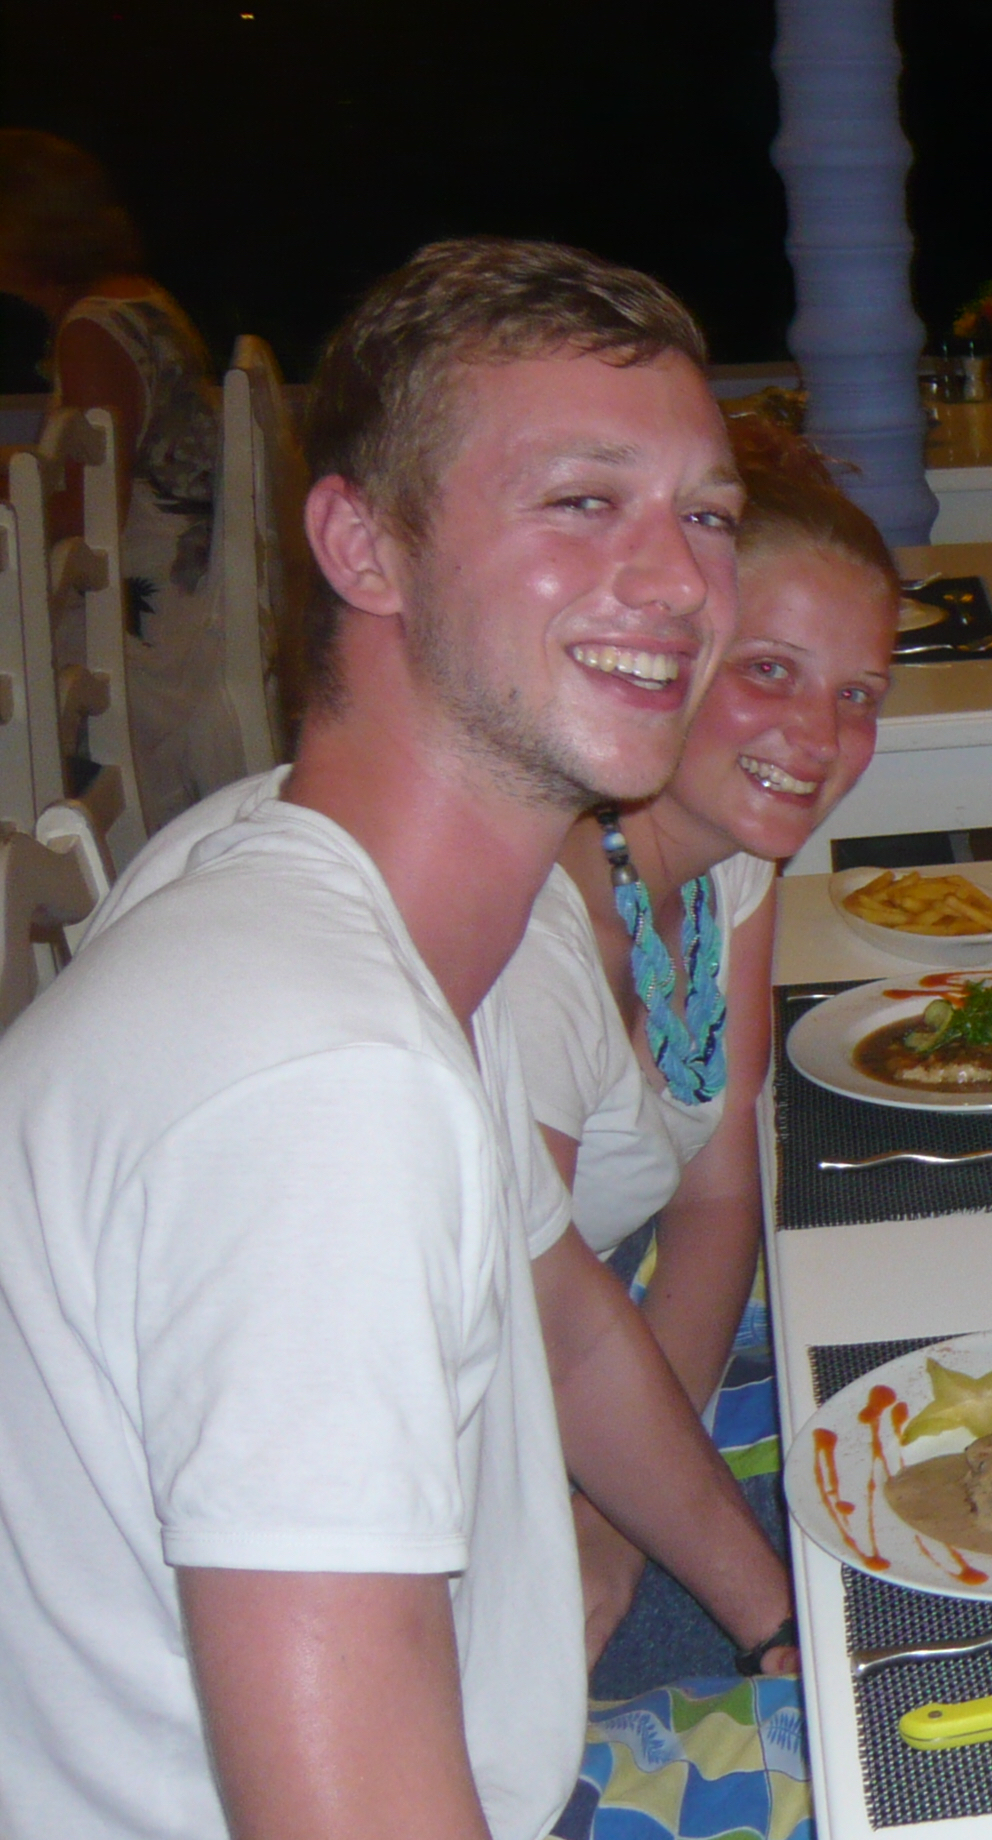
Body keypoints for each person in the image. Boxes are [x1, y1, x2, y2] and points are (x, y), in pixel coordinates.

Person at [0, 237, 801, 1840]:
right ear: (363, 545)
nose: (677, 583)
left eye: (705, 516)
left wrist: (774, 1623)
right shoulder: (320, 1084)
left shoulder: (336, 894)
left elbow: (567, 1321)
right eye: (581, 501)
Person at [499, 411, 894, 1690]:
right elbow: (533, 1328)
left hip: (598, 1394)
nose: (818, 739)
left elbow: (721, 1201)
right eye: (769, 671)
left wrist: (625, 1521)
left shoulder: (728, 863)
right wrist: (735, 1600)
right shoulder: (527, 936)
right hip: (458, 1461)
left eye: (858, 695)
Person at [0, 129, 236, 819]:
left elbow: (84, 517)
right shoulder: (139, 300)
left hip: (145, 620)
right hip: (183, 591)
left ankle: (35, 849)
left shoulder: (92, 329)